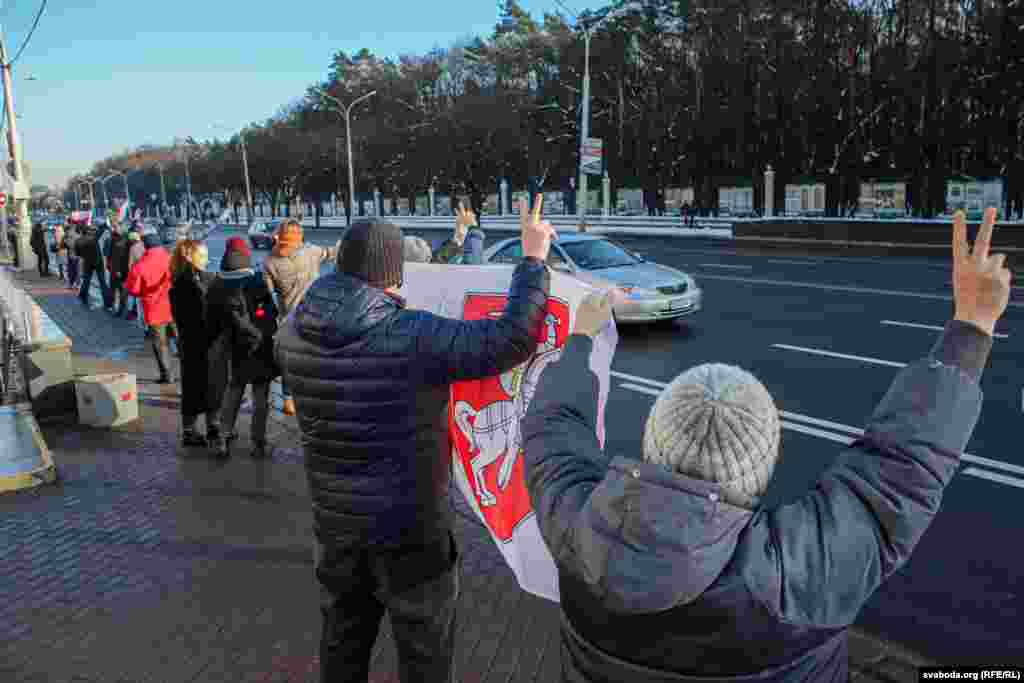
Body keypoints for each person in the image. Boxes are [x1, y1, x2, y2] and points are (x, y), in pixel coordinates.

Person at [520, 207, 1012, 683]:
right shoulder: (795, 575)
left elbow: (553, 423)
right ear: (767, 462)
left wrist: (582, 336)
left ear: (652, 439)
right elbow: (900, 467)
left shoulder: (576, 527)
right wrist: (973, 322)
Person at [274, 196, 554, 683]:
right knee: (424, 649)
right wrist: (532, 261)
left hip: (335, 525)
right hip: (410, 531)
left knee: (342, 640)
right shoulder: (410, 335)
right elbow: (511, 339)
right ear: (391, 272)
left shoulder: (291, 333)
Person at [206, 237, 279, 459]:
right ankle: (258, 444)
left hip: (235, 347)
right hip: (260, 346)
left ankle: (223, 438)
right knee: (260, 397)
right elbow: (271, 314)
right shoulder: (255, 280)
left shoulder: (217, 284)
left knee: (234, 391)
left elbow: (210, 320)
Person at [260, 219, 339, 416]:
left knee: (290, 361)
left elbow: (267, 296)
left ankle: (288, 401)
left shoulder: (269, 262)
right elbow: (331, 253)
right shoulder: (311, 252)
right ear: (299, 237)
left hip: (288, 319)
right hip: (314, 316)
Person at [169, 239, 224, 448]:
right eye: (202, 256)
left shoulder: (177, 281)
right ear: (190, 257)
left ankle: (189, 431)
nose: (207, 259)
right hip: (207, 343)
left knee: (192, 387)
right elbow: (210, 313)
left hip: (188, 342)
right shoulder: (203, 280)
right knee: (213, 385)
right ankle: (213, 427)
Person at [124, 233, 177, 384]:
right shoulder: (171, 259)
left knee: (160, 344)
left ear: (145, 246)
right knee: (182, 341)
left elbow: (133, 290)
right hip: (175, 306)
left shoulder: (140, 265)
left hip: (154, 310)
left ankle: (167, 375)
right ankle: (192, 370)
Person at [77, 222, 113, 310]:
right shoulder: (93, 238)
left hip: (87, 262)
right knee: (102, 282)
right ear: (88, 231)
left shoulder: (79, 241)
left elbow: (78, 254)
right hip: (97, 262)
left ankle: (83, 297)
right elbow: (99, 233)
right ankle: (107, 303)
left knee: (86, 281)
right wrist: (104, 225)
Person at [108, 222, 132, 317]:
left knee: (122, 290)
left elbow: (121, 257)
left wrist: (118, 269)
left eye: (117, 227)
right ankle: (114, 307)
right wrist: (109, 265)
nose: (115, 228)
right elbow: (111, 254)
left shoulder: (125, 240)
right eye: (115, 227)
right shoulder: (114, 238)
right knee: (114, 289)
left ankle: (121, 310)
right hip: (115, 269)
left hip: (121, 270)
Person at [125, 230, 146, 322]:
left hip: (136, 274)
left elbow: (130, 264)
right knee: (141, 296)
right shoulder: (144, 245)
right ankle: (141, 314)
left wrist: (130, 275)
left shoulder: (133, 248)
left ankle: (131, 313)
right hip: (144, 274)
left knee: (132, 294)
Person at [63, 222, 81, 289]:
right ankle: (76, 284)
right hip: (75, 255)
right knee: (75, 270)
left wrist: (66, 241)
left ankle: (72, 284)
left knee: (72, 270)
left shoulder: (69, 235)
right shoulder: (77, 235)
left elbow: (69, 245)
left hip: (72, 255)